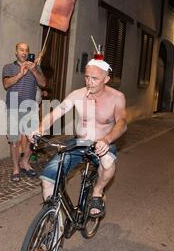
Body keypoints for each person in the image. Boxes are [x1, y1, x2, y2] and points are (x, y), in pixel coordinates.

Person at [30, 59, 127, 217]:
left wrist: (107, 140)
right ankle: (54, 220)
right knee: (47, 179)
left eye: (95, 78)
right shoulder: (77, 94)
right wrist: (40, 129)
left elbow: (122, 122)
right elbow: (56, 113)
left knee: (108, 162)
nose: (90, 82)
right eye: (87, 77)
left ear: (106, 79)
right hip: (79, 143)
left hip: (102, 143)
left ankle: (97, 192)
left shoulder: (117, 97)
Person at [2, 43, 46, 182]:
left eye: (26, 50)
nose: (24, 52)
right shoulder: (8, 67)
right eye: (21, 50)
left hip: (30, 108)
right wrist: (21, 74)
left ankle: (25, 162)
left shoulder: (35, 67)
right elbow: (6, 84)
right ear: (16, 52)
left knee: (32, 140)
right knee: (14, 141)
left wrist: (33, 71)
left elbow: (43, 84)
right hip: (13, 108)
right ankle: (16, 168)